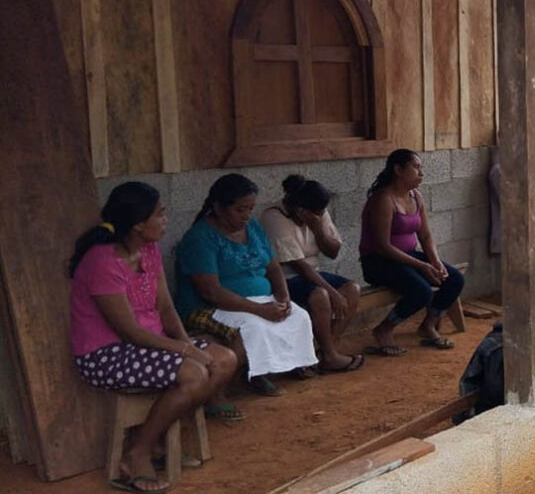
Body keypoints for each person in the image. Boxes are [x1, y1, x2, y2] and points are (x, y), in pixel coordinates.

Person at [69, 182, 239, 493]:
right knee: (193, 373)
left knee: (225, 359)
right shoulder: (102, 262)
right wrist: (186, 351)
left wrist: (188, 343)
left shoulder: (148, 250)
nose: (166, 220)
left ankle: (154, 438)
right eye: (160, 214)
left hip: (151, 345)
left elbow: (166, 308)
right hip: (106, 354)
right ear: (137, 224)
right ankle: (137, 454)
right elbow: (129, 332)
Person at [176, 174, 318, 397]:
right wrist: (259, 310)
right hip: (210, 307)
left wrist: (283, 297)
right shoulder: (200, 238)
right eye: (240, 210)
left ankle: (264, 371)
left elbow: (273, 268)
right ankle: (220, 391)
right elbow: (210, 291)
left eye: (250, 209)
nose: (247, 215)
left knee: (297, 316)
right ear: (219, 208)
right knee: (254, 326)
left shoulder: (252, 227)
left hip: (257, 301)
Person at [359, 149, 466, 356]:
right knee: (421, 291)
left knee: (454, 279)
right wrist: (422, 266)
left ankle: (429, 325)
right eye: (416, 167)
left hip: (408, 258)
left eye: (421, 168)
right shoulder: (383, 199)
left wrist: (435, 261)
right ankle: (384, 329)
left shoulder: (416, 196)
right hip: (379, 262)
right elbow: (382, 246)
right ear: (398, 170)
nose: (421, 173)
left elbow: (425, 235)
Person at [260, 175, 363, 373]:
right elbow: (299, 266)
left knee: (352, 289)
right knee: (320, 295)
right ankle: (328, 355)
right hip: (285, 277)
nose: (321, 215)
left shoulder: (317, 212)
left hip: (313, 273)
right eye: (317, 213)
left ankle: (325, 353)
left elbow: (333, 251)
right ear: (300, 210)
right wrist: (333, 292)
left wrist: (318, 229)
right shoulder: (273, 216)